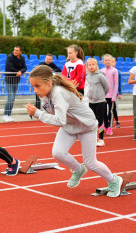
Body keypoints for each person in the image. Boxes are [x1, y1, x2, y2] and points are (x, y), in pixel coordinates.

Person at [26, 65, 123, 197]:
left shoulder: (58, 93)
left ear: (49, 82)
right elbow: (57, 114)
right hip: (69, 126)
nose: (35, 90)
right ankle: (78, 169)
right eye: (33, 86)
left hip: (86, 127)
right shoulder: (45, 93)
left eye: (37, 86)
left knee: (90, 163)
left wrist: (37, 113)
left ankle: (113, 180)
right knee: (58, 153)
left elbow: (59, 120)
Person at [85, 58, 110, 147]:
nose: (91, 67)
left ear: (96, 65)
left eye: (93, 64)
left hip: (100, 101)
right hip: (91, 101)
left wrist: (102, 96)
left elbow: (107, 87)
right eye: (89, 65)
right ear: (87, 66)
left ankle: (101, 139)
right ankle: (93, 138)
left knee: (100, 120)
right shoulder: (87, 76)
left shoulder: (100, 76)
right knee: (92, 120)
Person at [3, 46, 27, 122]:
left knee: (12, 99)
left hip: (16, 81)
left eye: (17, 50)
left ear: (20, 52)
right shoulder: (9, 57)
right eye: (14, 50)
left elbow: (25, 68)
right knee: (11, 98)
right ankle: (5, 115)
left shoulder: (22, 58)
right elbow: (9, 68)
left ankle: (9, 115)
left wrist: (21, 71)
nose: (15, 51)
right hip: (9, 80)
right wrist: (18, 71)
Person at [101, 54, 119, 136]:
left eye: (109, 60)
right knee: (103, 112)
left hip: (111, 95)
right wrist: (101, 95)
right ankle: (105, 126)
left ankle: (110, 128)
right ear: (103, 61)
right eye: (106, 60)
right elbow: (100, 84)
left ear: (111, 61)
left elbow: (116, 84)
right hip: (103, 95)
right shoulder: (101, 71)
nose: (107, 61)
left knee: (111, 112)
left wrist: (114, 96)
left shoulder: (114, 71)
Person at [111, 58, 122, 128]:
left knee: (114, 107)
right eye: (110, 61)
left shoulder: (118, 72)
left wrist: (120, 93)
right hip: (108, 93)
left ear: (115, 63)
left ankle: (114, 122)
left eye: (113, 62)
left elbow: (119, 83)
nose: (111, 63)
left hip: (115, 93)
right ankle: (115, 121)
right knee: (110, 108)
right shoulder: (105, 71)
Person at [128, 65, 136, 140]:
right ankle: (135, 133)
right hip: (135, 94)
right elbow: (129, 81)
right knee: (135, 114)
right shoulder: (134, 68)